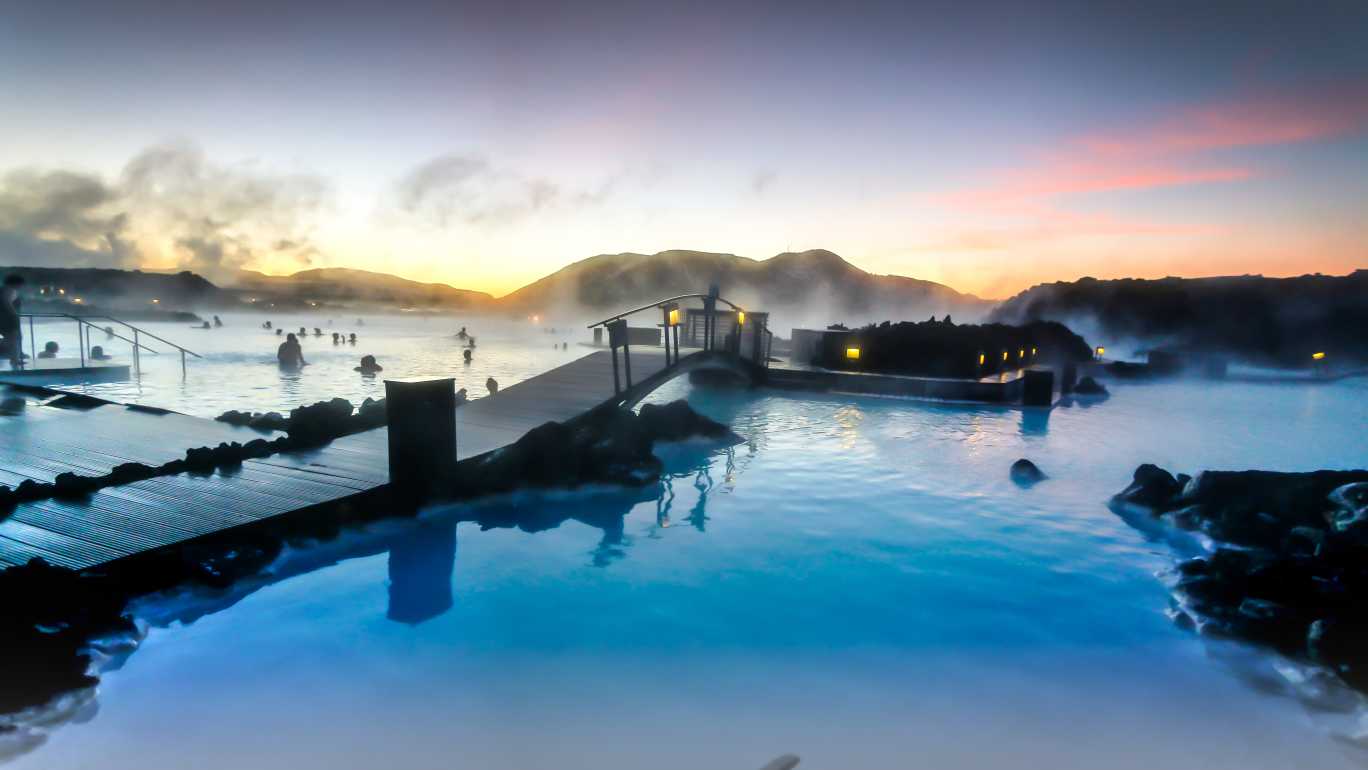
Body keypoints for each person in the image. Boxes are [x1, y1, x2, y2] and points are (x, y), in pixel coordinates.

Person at [1, 274, 24, 369]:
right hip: (8, 319)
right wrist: (14, 314)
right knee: (15, 338)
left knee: (13, 338)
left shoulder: (3, 289)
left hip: (4, 318)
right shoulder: (9, 290)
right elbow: (6, 302)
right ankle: (15, 361)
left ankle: (16, 358)